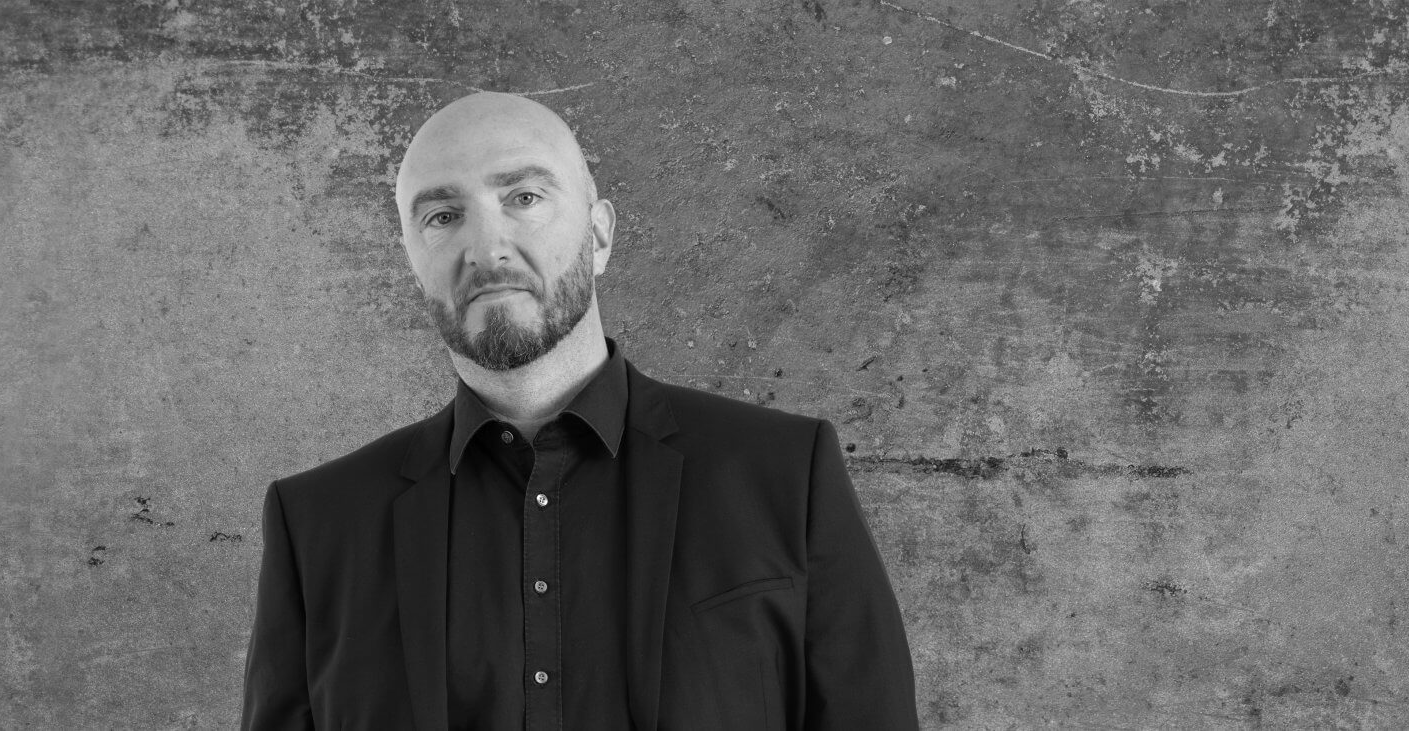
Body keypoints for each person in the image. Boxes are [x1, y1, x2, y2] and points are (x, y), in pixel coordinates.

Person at [239, 91, 917, 730]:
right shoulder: (318, 527)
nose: (486, 248)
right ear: (413, 259)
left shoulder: (786, 477)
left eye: (524, 197)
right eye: (442, 216)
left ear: (600, 235)